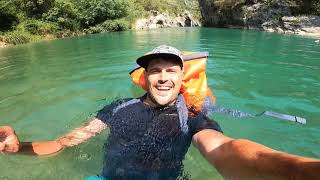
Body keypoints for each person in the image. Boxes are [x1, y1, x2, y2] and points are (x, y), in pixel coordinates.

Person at [1, 45, 320, 179]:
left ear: (182, 78)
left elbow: (225, 149)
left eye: (171, 71)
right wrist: (18, 149)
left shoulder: (193, 116)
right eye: (156, 70)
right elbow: (62, 143)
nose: (164, 77)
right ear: (146, 77)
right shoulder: (117, 108)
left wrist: (298, 169)